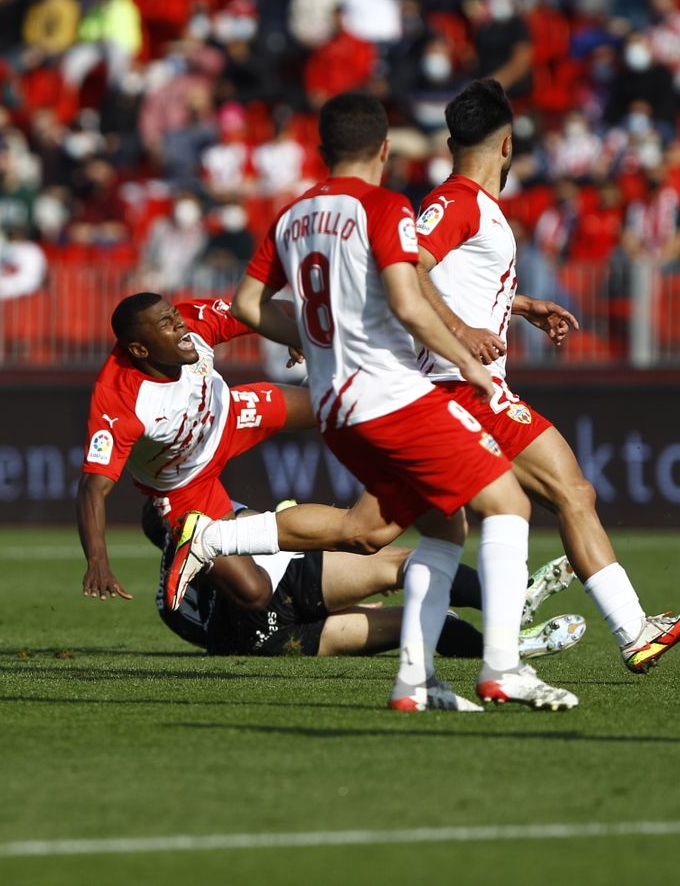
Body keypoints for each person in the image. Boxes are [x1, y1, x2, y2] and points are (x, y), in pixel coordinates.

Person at [228, 92, 577, 712]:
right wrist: (469, 359)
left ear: (320, 151)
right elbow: (410, 303)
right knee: (509, 503)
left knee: (441, 526)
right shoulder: (385, 207)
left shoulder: (291, 217)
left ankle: (414, 681)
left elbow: (247, 307)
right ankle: (502, 667)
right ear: (386, 150)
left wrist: (311, 335)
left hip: (335, 410)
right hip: (390, 395)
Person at [414, 79, 680, 674]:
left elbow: (443, 278)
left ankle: (239, 541)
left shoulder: (466, 205)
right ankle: (629, 630)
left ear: (453, 141)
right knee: (569, 494)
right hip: (465, 387)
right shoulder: (460, 202)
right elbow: (411, 270)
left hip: (457, 385)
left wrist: (519, 307)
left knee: (377, 530)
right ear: (507, 147)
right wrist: (464, 334)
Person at [77, 294, 418, 607]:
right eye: (166, 324)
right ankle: (177, 537)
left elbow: (260, 307)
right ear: (140, 350)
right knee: (254, 594)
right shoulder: (120, 403)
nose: (180, 324)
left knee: (331, 409)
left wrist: (294, 334)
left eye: (173, 315)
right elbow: (93, 488)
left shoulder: (192, 322)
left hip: (232, 415)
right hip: (184, 484)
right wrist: (98, 561)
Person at [141, 503, 585, 667]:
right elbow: (255, 580)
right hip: (286, 584)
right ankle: (511, 604)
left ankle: (505, 643)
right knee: (409, 565)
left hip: (269, 640)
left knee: (419, 620)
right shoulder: (202, 521)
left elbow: (215, 638)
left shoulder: (165, 599)